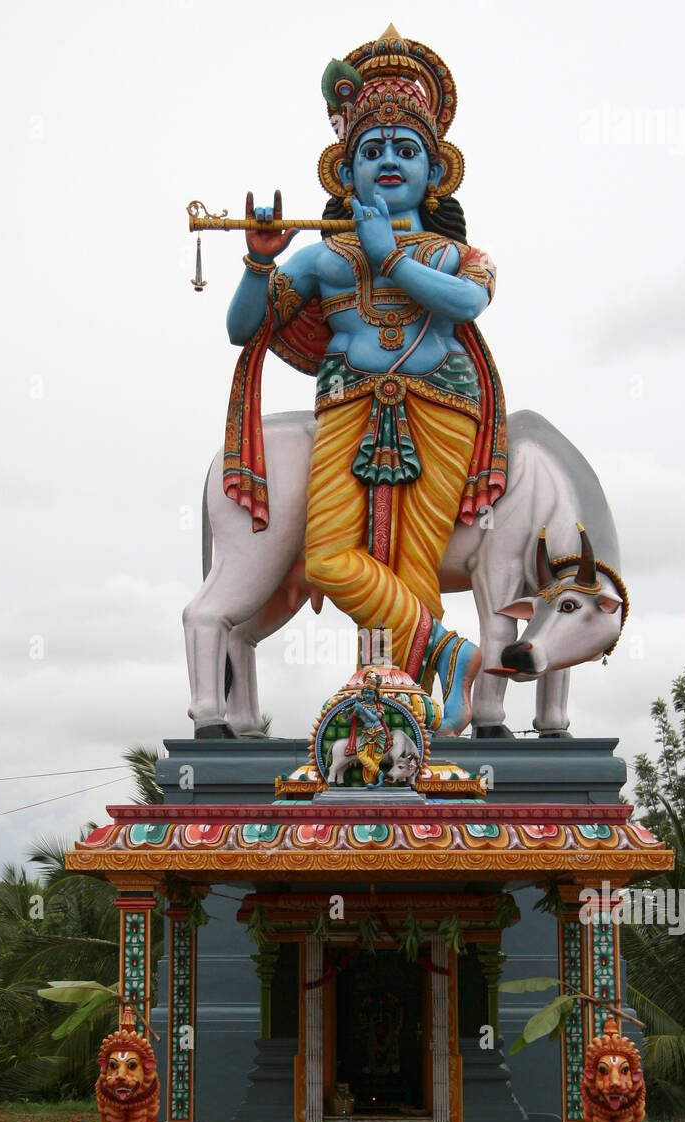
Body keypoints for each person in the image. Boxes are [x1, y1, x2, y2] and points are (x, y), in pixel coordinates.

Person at [222, 27, 507, 733]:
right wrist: (261, 262)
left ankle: (392, 726)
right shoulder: (325, 259)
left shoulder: (456, 253)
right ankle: (450, 655)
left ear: (433, 173)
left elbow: (469, 305)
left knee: (411, 566)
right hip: (348, 403)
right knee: (326, 558)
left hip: (443, 404)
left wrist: (392, 256)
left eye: (406, 151)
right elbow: (242, 326)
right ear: (345, 175)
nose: (387, 161)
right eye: (371, 151)